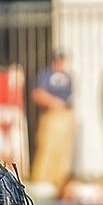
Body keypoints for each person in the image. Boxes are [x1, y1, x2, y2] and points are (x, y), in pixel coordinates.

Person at [29, 49, 74, 187]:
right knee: (48, 148)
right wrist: (53, 102)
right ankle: (43, 179)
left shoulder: (67, 77)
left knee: (63, 150)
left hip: (64, 116)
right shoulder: (46, 75)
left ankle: (60, 179)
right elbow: (37, 93)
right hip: (51, 115)